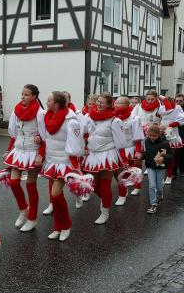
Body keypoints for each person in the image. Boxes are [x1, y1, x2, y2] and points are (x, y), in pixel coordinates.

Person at [38, 92, 83, 241]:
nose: (46, 102)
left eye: (49, 100)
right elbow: (46, 139)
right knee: (54, 196)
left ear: (57, 104)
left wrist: (76, 167)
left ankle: (66, 225)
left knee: (56, 194)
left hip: (65, 163)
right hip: (51, 161)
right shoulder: (47, 117)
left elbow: (75, 145)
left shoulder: (71, 121)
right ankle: (57, 227)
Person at [3, 84, 45, 232]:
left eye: (26, 95)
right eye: (22, 94)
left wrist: (40, 154)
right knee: (14, 182)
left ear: (34, 96)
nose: (23, 97)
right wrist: (9, 150)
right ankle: (23, 209)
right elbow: (14, 134)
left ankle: (32, 219)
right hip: (19, 150)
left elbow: (45, 137)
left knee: (30, 185)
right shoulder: (16, 111)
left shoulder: (40, 113)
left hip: (33, 152)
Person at [82, 92, 127, 224]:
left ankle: (105, 212)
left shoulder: (115, 120)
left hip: (108, 154)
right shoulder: (89, 117)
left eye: (102, 102)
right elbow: (84, 133)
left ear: (109, 105)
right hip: (92, 154)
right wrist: (83, 146)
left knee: (105, 184)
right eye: (98, 101)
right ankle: (106, 200)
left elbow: (120, 142)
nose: (99, 104)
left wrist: (124, 160)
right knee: (93, 185)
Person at [113, 97, 144, 205]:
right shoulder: (113, 116)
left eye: (119, 103)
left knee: (132, 170)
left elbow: (137, 135)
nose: (116, 105)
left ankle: (137, 186)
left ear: (127, 105)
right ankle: (124, 188)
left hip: (130, 147)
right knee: (120, 173)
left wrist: (138, 150)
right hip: (116, 148)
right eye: (116, 102)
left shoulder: (134, 118)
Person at [141, 124, 172, 214]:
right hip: (150, 166)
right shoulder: (147, 141)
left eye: (154, 136)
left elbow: (170, 156)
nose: (152, 137)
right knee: (152, 185)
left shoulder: (164, 143)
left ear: (159, 134)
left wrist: (163, 158)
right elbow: (146, 153)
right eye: (150, 135)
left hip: (160, 167)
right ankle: (153, 204)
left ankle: (160, 195)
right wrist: (141, 156)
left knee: (159, 187)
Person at [158, 97, 184, 184]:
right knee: (161, 156)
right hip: (162, 134)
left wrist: (167, 125)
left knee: (171, 157)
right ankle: (162, 176)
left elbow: (180, 121)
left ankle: (169, 175)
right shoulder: (162, 108)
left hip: (172, 135)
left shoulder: (177, 108)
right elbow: (160, 118)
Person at [174, 94, 184, 174]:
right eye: (177, 101)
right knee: (175, 153)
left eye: (180, 101)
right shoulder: (173, 109)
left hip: (183, 133)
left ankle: (182, 170)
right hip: (175, 133)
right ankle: (173, 171)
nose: (178, 102)